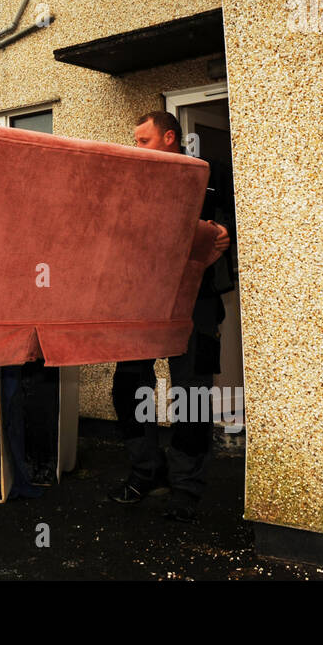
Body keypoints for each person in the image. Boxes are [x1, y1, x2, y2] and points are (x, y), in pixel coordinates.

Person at [110, 110, 231, 523]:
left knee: (191, 395)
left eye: (142, 141)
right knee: (129, 387)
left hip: (196, 302)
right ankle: (146, 472)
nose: (136, 147)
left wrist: (226, 234)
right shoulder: (132, 182)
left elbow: (234, 226)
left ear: (168, 137)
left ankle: (186, 488)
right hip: (140, 300)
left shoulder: (209, 176)